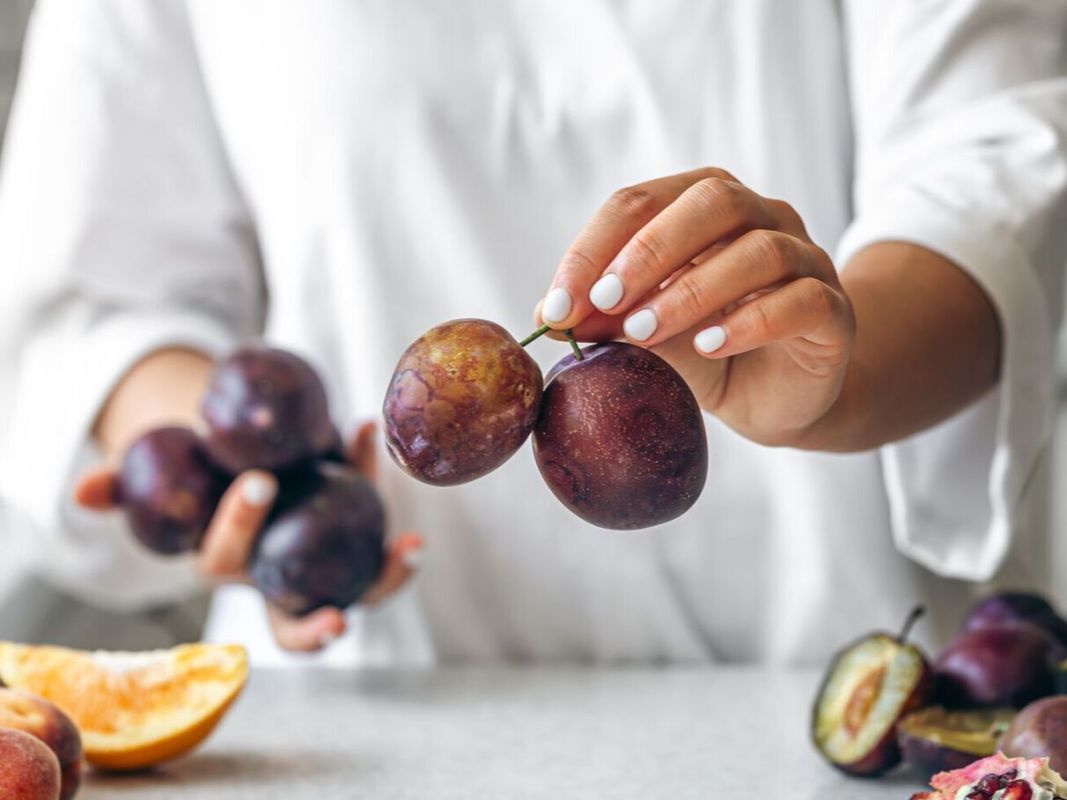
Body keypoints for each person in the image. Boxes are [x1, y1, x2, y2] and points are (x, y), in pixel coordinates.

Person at [0, 0, 1065, 666]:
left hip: (818, 693)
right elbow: (90, 296)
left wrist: (835, 372)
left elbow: (993, 184)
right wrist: (269, 478)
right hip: (378, 703)